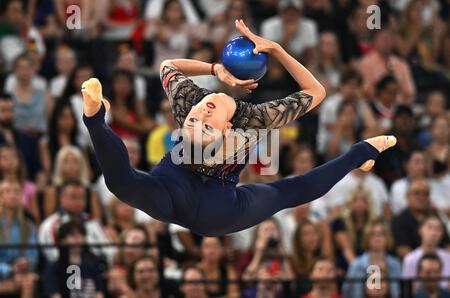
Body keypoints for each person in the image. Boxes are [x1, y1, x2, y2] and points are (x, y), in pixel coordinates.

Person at [81, 19, 396, 237]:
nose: (200, 114)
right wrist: (276, 51)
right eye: (203, 125)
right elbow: (316, 92)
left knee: (121, 184)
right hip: (197, 199)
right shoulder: (255, 120)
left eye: (195, 120)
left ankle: (94, 119)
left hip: (209, 202)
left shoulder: (188, 100)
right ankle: (362, 152)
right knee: (288, 191)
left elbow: (168, 67)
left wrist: (216, 68)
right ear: (226, 131)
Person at [43, 221, 106, 298]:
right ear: (62, 240)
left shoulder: (93, 265)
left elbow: (99, 294)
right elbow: (55, 296)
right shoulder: (54, 267)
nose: (78, 238)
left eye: (81, 235)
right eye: (72, 235)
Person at [391, 178, 450, 258]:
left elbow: (447, 245)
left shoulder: (436, 217)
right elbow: (402, 250)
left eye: (426, 194)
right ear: (407, 196)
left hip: (440, 264)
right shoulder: (399, 220)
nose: (422, 197)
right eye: (417, 193)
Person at [342, 221, 401, 298]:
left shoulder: (395, 264)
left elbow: (399, 293)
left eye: (381, 234)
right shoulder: (356, 265)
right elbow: (347, 293)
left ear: (387, 238)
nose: (377, 238)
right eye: (373, 234)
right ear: (367, 239)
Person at [402, 216, 450, 290]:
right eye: (429, 227)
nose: (433, 233)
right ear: (420, 230)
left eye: (438, 229)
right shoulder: (410, 258)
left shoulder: (448, 257)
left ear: (442, 233)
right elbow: (407, 289)